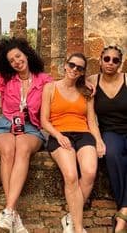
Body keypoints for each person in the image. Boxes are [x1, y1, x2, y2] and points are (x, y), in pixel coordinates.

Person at [0, 37, 52, 233]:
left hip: (30, 127)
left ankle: (9, 210)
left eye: (18, 56)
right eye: (12, 60)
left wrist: (87, 83)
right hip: (5, 124)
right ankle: (12, 212)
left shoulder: (44, 80)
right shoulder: (6, 78)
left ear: (26, 55)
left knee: (22, 148)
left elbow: (64, 89)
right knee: (8, 150)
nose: (16, 62)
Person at [41, 52, 106, 233]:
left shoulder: (86, 91)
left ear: (83, 72)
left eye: (79, 68)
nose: (74, 70)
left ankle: (71, 216)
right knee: (70, 176)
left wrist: (99, 141)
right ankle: (78, 228)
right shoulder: (50, 88)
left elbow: (91, 121)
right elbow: (44, 120)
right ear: (65, 65)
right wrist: (58, 135)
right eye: (72, 65)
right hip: (59, 133)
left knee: (90, 172)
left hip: (83, 133)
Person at [89, 46, 127, 233]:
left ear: (120, 63)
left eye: (115, 60)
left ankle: (123, 213)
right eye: (107, 59)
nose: (110, 63)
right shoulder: (92, 81)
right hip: (110, 131)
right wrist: (97, 139)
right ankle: (125, 210)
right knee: (111, 154)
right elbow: (89, 116)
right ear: (100, 60)